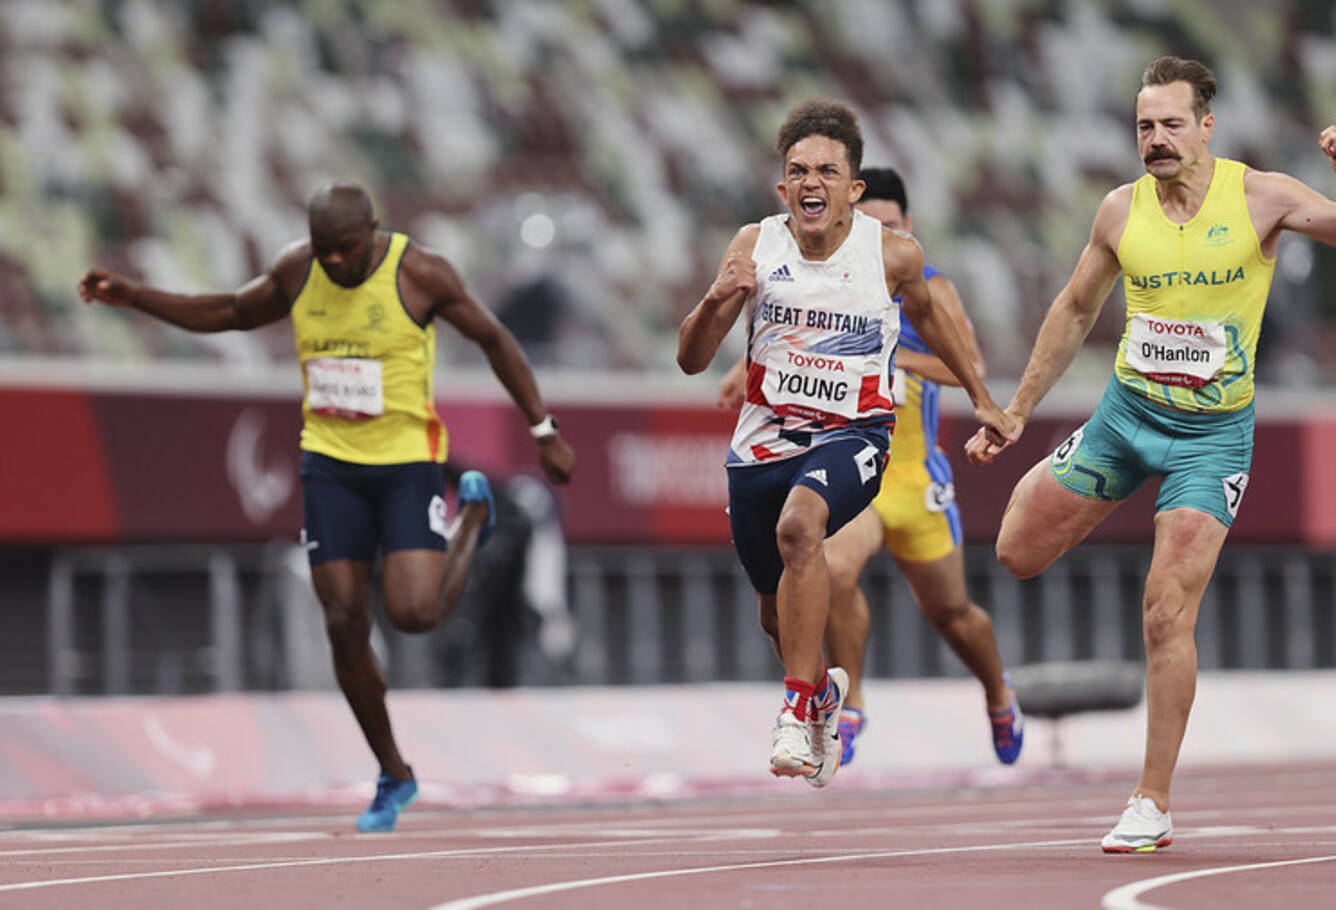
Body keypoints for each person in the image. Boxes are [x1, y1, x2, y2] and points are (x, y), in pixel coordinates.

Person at [964, 56, 1336, 853]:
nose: (1157, 140)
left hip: (1212, 436)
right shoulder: (1116, 211)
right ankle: (1091, 473)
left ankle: (1150, 800)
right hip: (1125, 417)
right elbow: (1072, 310)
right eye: (1145, 127)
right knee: (1015, 552)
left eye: (1173, 124)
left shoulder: (1264, 197)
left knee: (1167, 609)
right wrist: (1016, 410)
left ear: (1207, 126)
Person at [78, 183, 577, 832]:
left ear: (372, 231)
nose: (333, 264)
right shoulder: (298, 268)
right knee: (344, 622)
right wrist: (136, 297)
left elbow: (495, 340)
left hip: (403, 464)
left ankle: (471, 521)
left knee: (416, 614)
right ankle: (393, 772)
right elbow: (230, 310)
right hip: (330, 465)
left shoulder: (420, 274)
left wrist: (543, 431)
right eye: (323, 251)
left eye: (344, 250)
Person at [678, 99, 1015, 787]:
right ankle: (826, 694)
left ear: (852, 190)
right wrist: (717, 299)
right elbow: (690, 359)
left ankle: (808, 709)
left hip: (868, 445)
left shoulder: (897, 259)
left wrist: (985, 404)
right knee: (778, 609)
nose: (811, 183)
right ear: (782, 187)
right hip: (767, 444)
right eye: (798, 171)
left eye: (827, 171)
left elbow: (950, 347)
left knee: (816, 539)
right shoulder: (753, 245)